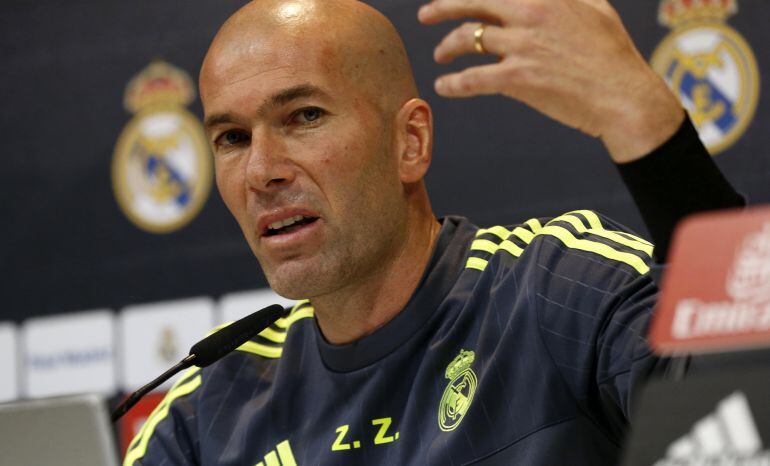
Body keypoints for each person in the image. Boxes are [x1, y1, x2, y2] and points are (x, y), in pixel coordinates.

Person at [123, 0, 743, 464]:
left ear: (409, 142)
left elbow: (744, 414)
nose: (261, 171)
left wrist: (648, 124)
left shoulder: (555, 288)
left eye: (303, 116)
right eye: (232, 138)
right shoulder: (202, 414)